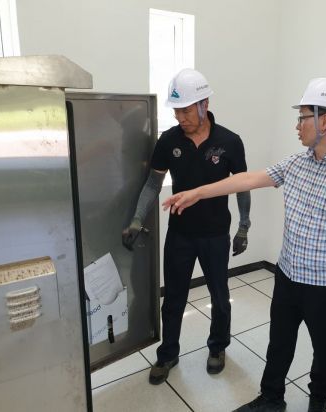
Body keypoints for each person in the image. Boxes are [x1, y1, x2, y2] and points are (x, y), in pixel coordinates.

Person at [163, 77, 326, 412]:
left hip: (324, 285)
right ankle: (272, 398)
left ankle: (317, 402)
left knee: (324, 348)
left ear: (324, 121)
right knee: (279, 342)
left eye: (302, 118)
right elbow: (247, 179)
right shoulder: (297, 163)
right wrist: (197, 193)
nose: (297, 126)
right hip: (287, 275)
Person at [122, 68, 252, 384]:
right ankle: (168, 353)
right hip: (180, 234)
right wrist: (137, 218)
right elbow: (153, 184)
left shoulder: (230, 142)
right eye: (176, 111)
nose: (180, 117)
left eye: (185, 110)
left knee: (220, 297)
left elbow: (243, 186)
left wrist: (244, 226)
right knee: (174, 298)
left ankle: (218, 347)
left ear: (204, 104)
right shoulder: (169, 140)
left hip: (216, 234)